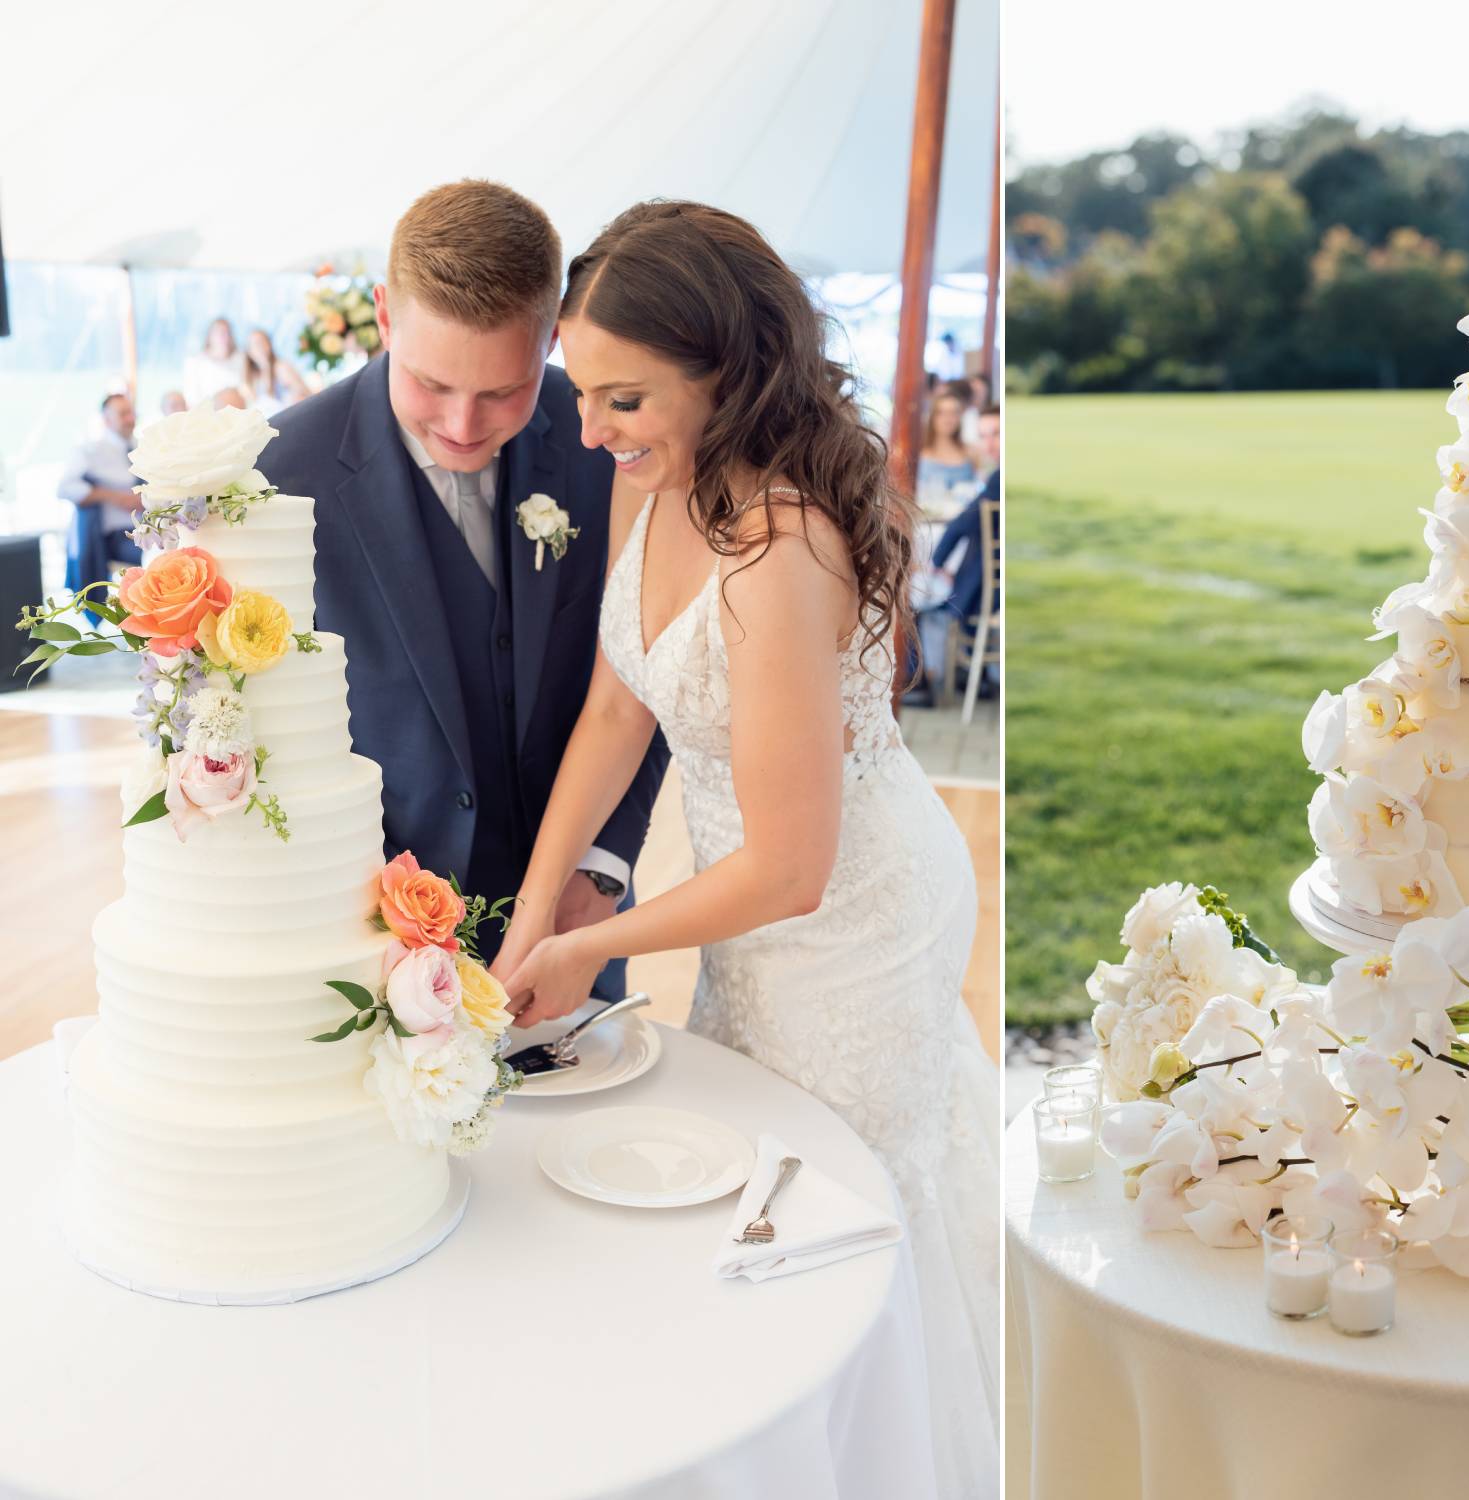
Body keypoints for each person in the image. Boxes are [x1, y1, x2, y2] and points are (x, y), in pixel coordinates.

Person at [488, 200, 999, 1497]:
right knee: (765, 1183)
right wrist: (533, 916)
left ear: (723, 370)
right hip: (746, 906)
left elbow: (792, 870)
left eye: (623, 398)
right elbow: (619, 703)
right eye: (581, 392)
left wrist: (592, 943)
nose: (590, 429)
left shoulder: (783, 544)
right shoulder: (648, 478)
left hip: (850, 918)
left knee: (845, 1209)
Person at [260, 180, 668, 993]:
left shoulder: (608, 441)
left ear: (552, 339)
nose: (462, 424)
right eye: (432, 384)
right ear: (383, 315)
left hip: (571, 931)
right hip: (364, 954)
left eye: (502, 392)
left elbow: (648, 664)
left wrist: (600, 869)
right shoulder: (277, 475)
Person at [911, 402, 1000, 701]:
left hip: (991, 588)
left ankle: (919, 678)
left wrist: (935, 562)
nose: (990, 443)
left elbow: (964, 522)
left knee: (913, 588)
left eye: (998, 434)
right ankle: (964, 667)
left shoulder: (1000, 478)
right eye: (985, 435)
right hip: (988, 574)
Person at [57, 392, 144, 593]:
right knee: (156, 556)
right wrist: (116, 497)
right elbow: (64, 489)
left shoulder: (144, 448)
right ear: (107, 419)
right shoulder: (89, 452)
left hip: (151, 528)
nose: (130, 419)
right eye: (123, 414)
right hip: (118, 536)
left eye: (131, 412)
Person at [914, 386, 976, 506]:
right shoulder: (919, 452)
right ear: (932, 416)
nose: (948, 419)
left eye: (954, 413)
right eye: (941, 413)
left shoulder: (971, 452)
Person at [181, 317, 247, 407]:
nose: (223, 336)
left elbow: (246, 390)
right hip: (208, 414)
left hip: (238, 411)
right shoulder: (195, 362)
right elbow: (191, 398)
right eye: (218, 332)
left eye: (227, 332)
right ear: (209, 335)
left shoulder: (240, 358)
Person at [243, 327, 305, 415]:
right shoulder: (252, 380)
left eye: (262, 342)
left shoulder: (281, 367)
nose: (260, 347)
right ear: (249, 352)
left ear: (269, 345)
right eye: (255, 344)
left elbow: (305, 393)